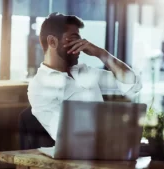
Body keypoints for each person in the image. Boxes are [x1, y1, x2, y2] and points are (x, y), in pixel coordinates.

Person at [28, 12, 142, 141]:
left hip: (108, 146)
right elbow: (65, 135)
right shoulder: (39, 86)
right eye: (74, 38)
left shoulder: (85, 71)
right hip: (79, 156)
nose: (81, 44)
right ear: (52, 41)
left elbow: (132, 84)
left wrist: (101, 54)